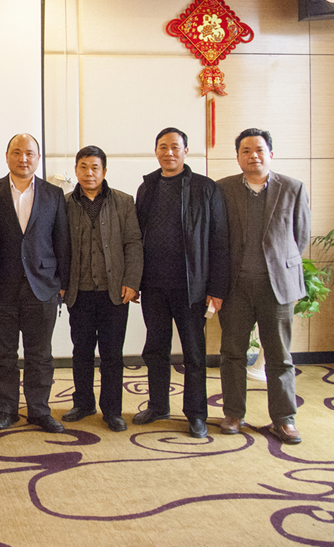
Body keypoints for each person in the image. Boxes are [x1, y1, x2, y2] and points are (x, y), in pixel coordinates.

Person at [134, 127, 229, 439]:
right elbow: (136, 238)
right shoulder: (147, 188)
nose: (169, 152)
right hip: (154, 286)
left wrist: (216, 288)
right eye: (163, 147)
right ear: (156, 151)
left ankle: (196, 414)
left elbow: (219, 241)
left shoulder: (206, 188)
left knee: (194, 354)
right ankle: (158, 405)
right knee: (155, 349)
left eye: (175, 147)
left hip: (192, 288)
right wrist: (135, 280)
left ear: (186, 151)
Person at [216, 128, 309, 445]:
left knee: (280, 356)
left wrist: (278, 266)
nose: (252, 155)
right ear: (238, 156)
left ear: (270, 153)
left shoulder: (293, 188)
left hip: (277, 287)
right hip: (235, 288)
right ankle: (233, 414)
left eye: (259, 150)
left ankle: (284, 419)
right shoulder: (223, 189)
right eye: (245, 150)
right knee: (232, 354)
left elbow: (300, 237)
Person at [0, 133, 70, 434]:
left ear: (38, 157)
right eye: (17, 152)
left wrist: (62, 284)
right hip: (0, 286)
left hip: (43, 286)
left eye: (30, 153)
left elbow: (62, 241)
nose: (23, 158)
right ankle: (6, 410)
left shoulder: (53, 194)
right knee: (3, 354)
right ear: (7, 155)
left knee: (40, 354)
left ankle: (39, 410)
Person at [63, 146, 143, 432]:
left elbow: (133, 243)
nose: (89, 173)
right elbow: (58, 246)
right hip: (79, 291)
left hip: (114, 291)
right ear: (76, 170)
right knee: (81, 351)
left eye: (95, 167)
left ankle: (112, 410)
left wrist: (132, 281)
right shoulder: (64, 203)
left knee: (112, 354)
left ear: (104, 171)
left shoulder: (123, 201)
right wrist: (61, 284)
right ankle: (83, 403)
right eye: (83, 167)